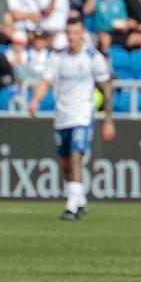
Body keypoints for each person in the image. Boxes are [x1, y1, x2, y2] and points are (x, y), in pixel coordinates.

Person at [28, 16, 116, 219]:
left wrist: (108, 119)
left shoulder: (93, 58)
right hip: (62, 116)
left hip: (83, 115)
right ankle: (80, 200)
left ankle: (71, 207)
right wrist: (35, 100)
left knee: (77, 156)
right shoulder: (57, 57)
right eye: (69, 33)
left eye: (76, 33)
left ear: (82, 34)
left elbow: (106, 88)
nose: (72, 37)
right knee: (66, 163)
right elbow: (45, 81)